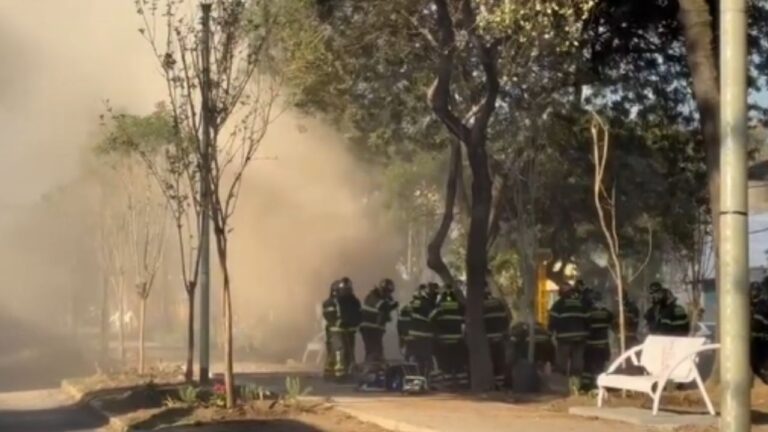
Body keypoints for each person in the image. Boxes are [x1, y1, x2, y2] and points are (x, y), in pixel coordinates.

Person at [548, 283, 589, 394]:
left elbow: (552, 322)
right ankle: (575, 388)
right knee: (577, 365)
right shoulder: (580, 304)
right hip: (580, 339)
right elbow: (587, 321)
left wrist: (549, 334)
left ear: (561, 293)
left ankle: (561, 389)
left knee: (561, 364)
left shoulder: (558, 305)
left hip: (564, 339)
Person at [430, 284, 466, 388]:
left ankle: (449, 386)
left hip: (444, 343)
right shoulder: (459, 306)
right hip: (457, 342)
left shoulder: (440, 307)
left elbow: (430, 318)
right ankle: (462, 385)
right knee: (459, 366)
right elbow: (465, 318)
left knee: (447, 367)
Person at [581, 289, 614, 392]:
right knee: (600, 366)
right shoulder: (606, 313)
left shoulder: (588, 312)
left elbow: (584, 325)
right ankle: (599, 384)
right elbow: (612, 322)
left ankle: (586, 386)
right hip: (603, 344)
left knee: (588, 366)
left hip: (590, 344)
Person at [360, 278, 399, 363]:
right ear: (381, 289)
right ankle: (370, 365)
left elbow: (384, 313)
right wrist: (392, 305)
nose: (388, 294)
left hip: (377, 329)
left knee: (378, 349)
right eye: (386, 292)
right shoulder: (372, 296)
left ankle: (376, 365)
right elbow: (381, 306)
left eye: (389, 292)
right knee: (372, 349)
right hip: (368, 328)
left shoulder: (384, 298)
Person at [407, 284, 439, 383]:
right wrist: (439, 309)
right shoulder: (426, 303)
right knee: (427, 360)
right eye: (433, 294)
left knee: (417, 359)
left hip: (413, 336)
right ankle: (428, 381)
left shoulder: (413, 302)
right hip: (424, 336)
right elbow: (432, 316)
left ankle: (415, 379)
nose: (434, 296)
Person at [483, 289, 512, 388]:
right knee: (500, 362)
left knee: (491, 362)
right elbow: (508, 318)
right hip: (500, 338)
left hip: (488, 339)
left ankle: (494, 384)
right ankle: (501, 385)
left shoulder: (481, 304)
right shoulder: (499, 303)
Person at [336, 277, 362, 380]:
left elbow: (359, 315)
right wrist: (340, 322)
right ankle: (340, 373)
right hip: (339, 331)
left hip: (351, 331)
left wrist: (355, 324)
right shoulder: (337, 301)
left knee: (350, 351)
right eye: (344, 289)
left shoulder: (354, 301)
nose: (346, 291)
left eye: (348, 289)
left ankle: (349, 371)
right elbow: (333, 315)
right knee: (341, 351)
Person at [322, 280, 341, 380]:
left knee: (333, 352)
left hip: (334, 330)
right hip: (334, 331)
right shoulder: (330, 303)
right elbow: (330, 317)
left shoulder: (334, 302)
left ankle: (329, 373)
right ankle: (335, 374)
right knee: (336, 351)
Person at [750, 281, 768, 383]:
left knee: (761, 365)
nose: (753, 293)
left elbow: (757, 323)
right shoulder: (756, 304)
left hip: (762, 341)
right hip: (758, 341)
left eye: (755, 291)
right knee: (756, 366)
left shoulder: (762, 305)